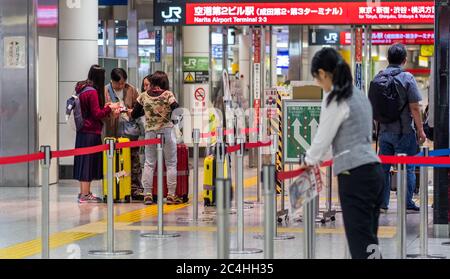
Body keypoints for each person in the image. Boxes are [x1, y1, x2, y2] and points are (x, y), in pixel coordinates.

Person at [300, 47, 383, 259]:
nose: (319, 84)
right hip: (374, 172)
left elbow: (323, 137)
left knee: (360, 244)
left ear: (322, 73)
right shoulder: (359, 95)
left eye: (317, 79)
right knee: (369, 242)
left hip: (354, 175)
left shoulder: (336, 97)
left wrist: (309, 160)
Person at [377, 44, 426, 213]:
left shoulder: (379, 77)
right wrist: (420, 130)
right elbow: (414, 107)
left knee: (384, 168)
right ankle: (407, 203)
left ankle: (382, 204)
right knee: (408, 168)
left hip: (384, 132)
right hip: (404, 132)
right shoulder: (407, 78)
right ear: (404, 60)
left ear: (389, 59)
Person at [131, 71, 181, 205]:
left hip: (150, 133)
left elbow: (134, 114)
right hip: (167, 131)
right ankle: (171, 195)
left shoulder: (143, 96)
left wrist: (148, 111)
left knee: (149, 163)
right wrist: (172, 120)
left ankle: (147, 194)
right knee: (171, 163)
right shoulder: (167, 94)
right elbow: (177, 110)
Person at [73, 65, 119, 203]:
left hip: (82, 131)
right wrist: (109, 108)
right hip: (91, 131)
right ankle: (86, 195)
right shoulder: (92, 92)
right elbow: (96, 114)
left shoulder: (82, 89)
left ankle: (83, 193)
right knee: (88, 162)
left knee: (83, 162)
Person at [103, 68, 144, 201]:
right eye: (118, 83)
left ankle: (135, 188)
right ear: (112, 81)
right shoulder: (105, 91)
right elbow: (101, 110)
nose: (121, 86)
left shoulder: (131, 89)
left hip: (130, 132)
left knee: (134, 160)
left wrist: (131, 111)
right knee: (114, 161)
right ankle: (116, 187)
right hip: (112, 131)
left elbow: (139, 109)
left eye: (123, 83)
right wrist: (110, 110)